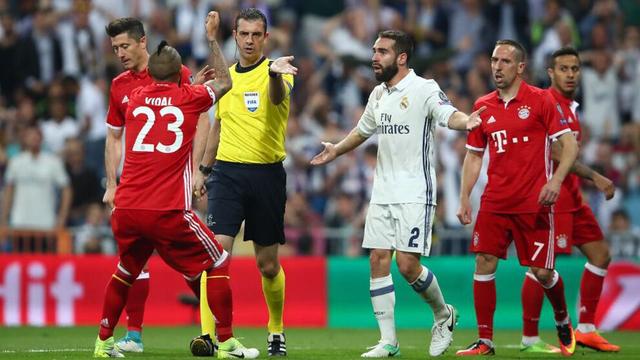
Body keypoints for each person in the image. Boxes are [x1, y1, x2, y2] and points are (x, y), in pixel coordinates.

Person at [94, 12, 259, 359]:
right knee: (217, 261)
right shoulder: (188, 96)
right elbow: (224, 84)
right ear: (178, 75)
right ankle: (227, 342)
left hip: (127, 207)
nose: (120, 52)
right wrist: (212, 41)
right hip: (167, 208)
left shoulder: (134, 97)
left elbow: (120, 130)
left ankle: (103, 342)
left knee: (126, 269)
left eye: (125, 45)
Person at [310, 30, 484, 357]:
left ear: (401, 57)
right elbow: (363, 130)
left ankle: (443, 315)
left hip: (415, 190)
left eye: (383, 52)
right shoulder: (378, 94)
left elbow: (449, 114)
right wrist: (337, 150)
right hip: (383, 190)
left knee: (406, 265)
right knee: (377, 259)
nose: (375, 57)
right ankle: (389, 341)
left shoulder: (424, 88)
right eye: (374, 50)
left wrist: (467, 121)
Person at [455, 39, 579, 357]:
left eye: (505, 61)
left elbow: (570, 145)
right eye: (494, 60)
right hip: (495, 201)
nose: (497, 67)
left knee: (543, 273)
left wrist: (556, 180)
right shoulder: (483, 106)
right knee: (483, 262)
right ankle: (485, 341)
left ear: (520, 67)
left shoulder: (540, 101)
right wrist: (465, 197)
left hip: (533, 203)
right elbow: (473, 157)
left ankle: (563, 319)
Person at [102, 16, 211, 352]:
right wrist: (111, 183)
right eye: (115, 47)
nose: (120, 52)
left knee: (193, 263)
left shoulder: (173, 71)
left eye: (124, 45)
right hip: (136, 188)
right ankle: (134, 335)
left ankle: (215, 330)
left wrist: (197, 169)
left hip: (173, 184)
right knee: (134, 261)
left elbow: (203, 117)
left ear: (142, 41)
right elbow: (114, 137)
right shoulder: (119, 85)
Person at [193, 8, 296, 356]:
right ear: (235, 37)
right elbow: (218, 126)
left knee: (267, 265)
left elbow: (277, 98)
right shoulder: (226, 81)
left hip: (266, 174)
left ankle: (276, 329)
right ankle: (211, 336)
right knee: (216, 255)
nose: (250, 40)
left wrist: (275, 75)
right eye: (244, 34)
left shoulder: (279, 71)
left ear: (265, 38)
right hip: (227, 174)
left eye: (256, 34)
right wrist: (204, 171)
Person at [519, 47, 620, 353]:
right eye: (563, 69)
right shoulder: (546, 102)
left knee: (601, 255)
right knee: (542, 266)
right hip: (555, 196)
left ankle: (587, 328)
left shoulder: (570, 106)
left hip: (573, 196)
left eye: (575, 68)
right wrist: (597, 177)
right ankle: (530, 338)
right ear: (551, 73)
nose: (571, 74)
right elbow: (557, 153)